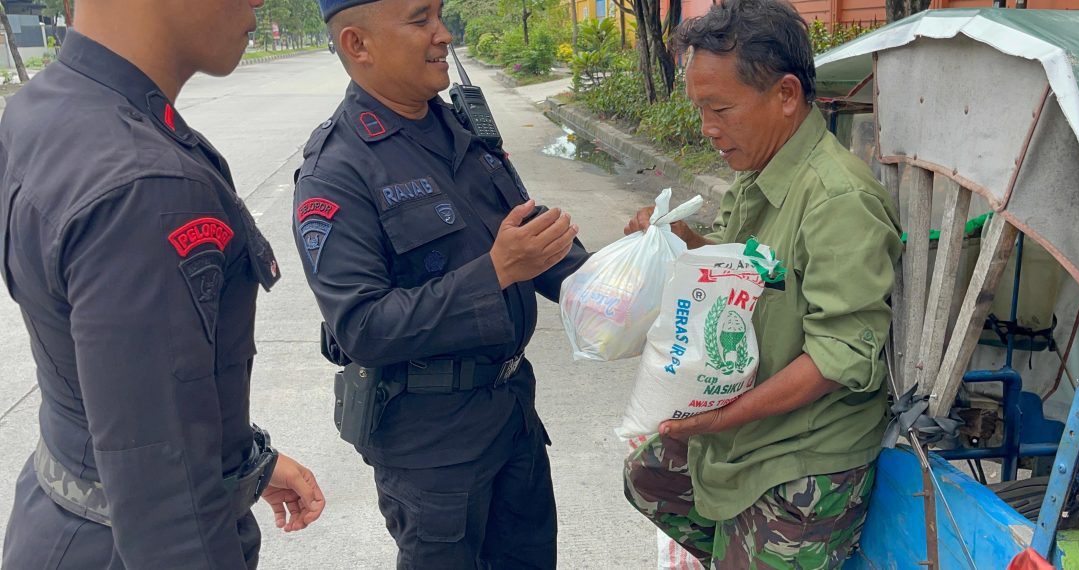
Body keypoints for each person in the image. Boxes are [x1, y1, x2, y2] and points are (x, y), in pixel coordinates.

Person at [0, 1, 325, 568]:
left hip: (65, 516)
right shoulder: (144, 186)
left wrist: (241, 458)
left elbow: (115, 389)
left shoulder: (46, 106)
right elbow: (168, 513)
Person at [292, 1, 588, 568]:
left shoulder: (461, 127)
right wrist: (496, 271)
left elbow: (529, 236)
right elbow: (362, 326)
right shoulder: (338, 168)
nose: (444, 35)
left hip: (511, 416)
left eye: (442, 14)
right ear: (358, 44)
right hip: (433, 454)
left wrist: (629, 268)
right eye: (421, 19)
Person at [621, 0, 903, 568]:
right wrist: (681, 245)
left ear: (786, 94)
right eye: (700, 109)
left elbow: (839, 355)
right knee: (646, 477)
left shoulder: (838, 201)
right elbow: (744, 270)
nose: (708, 130)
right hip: (752, 424)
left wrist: (719, 419)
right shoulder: (759, 174)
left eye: (720, 108)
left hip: (805, 449)